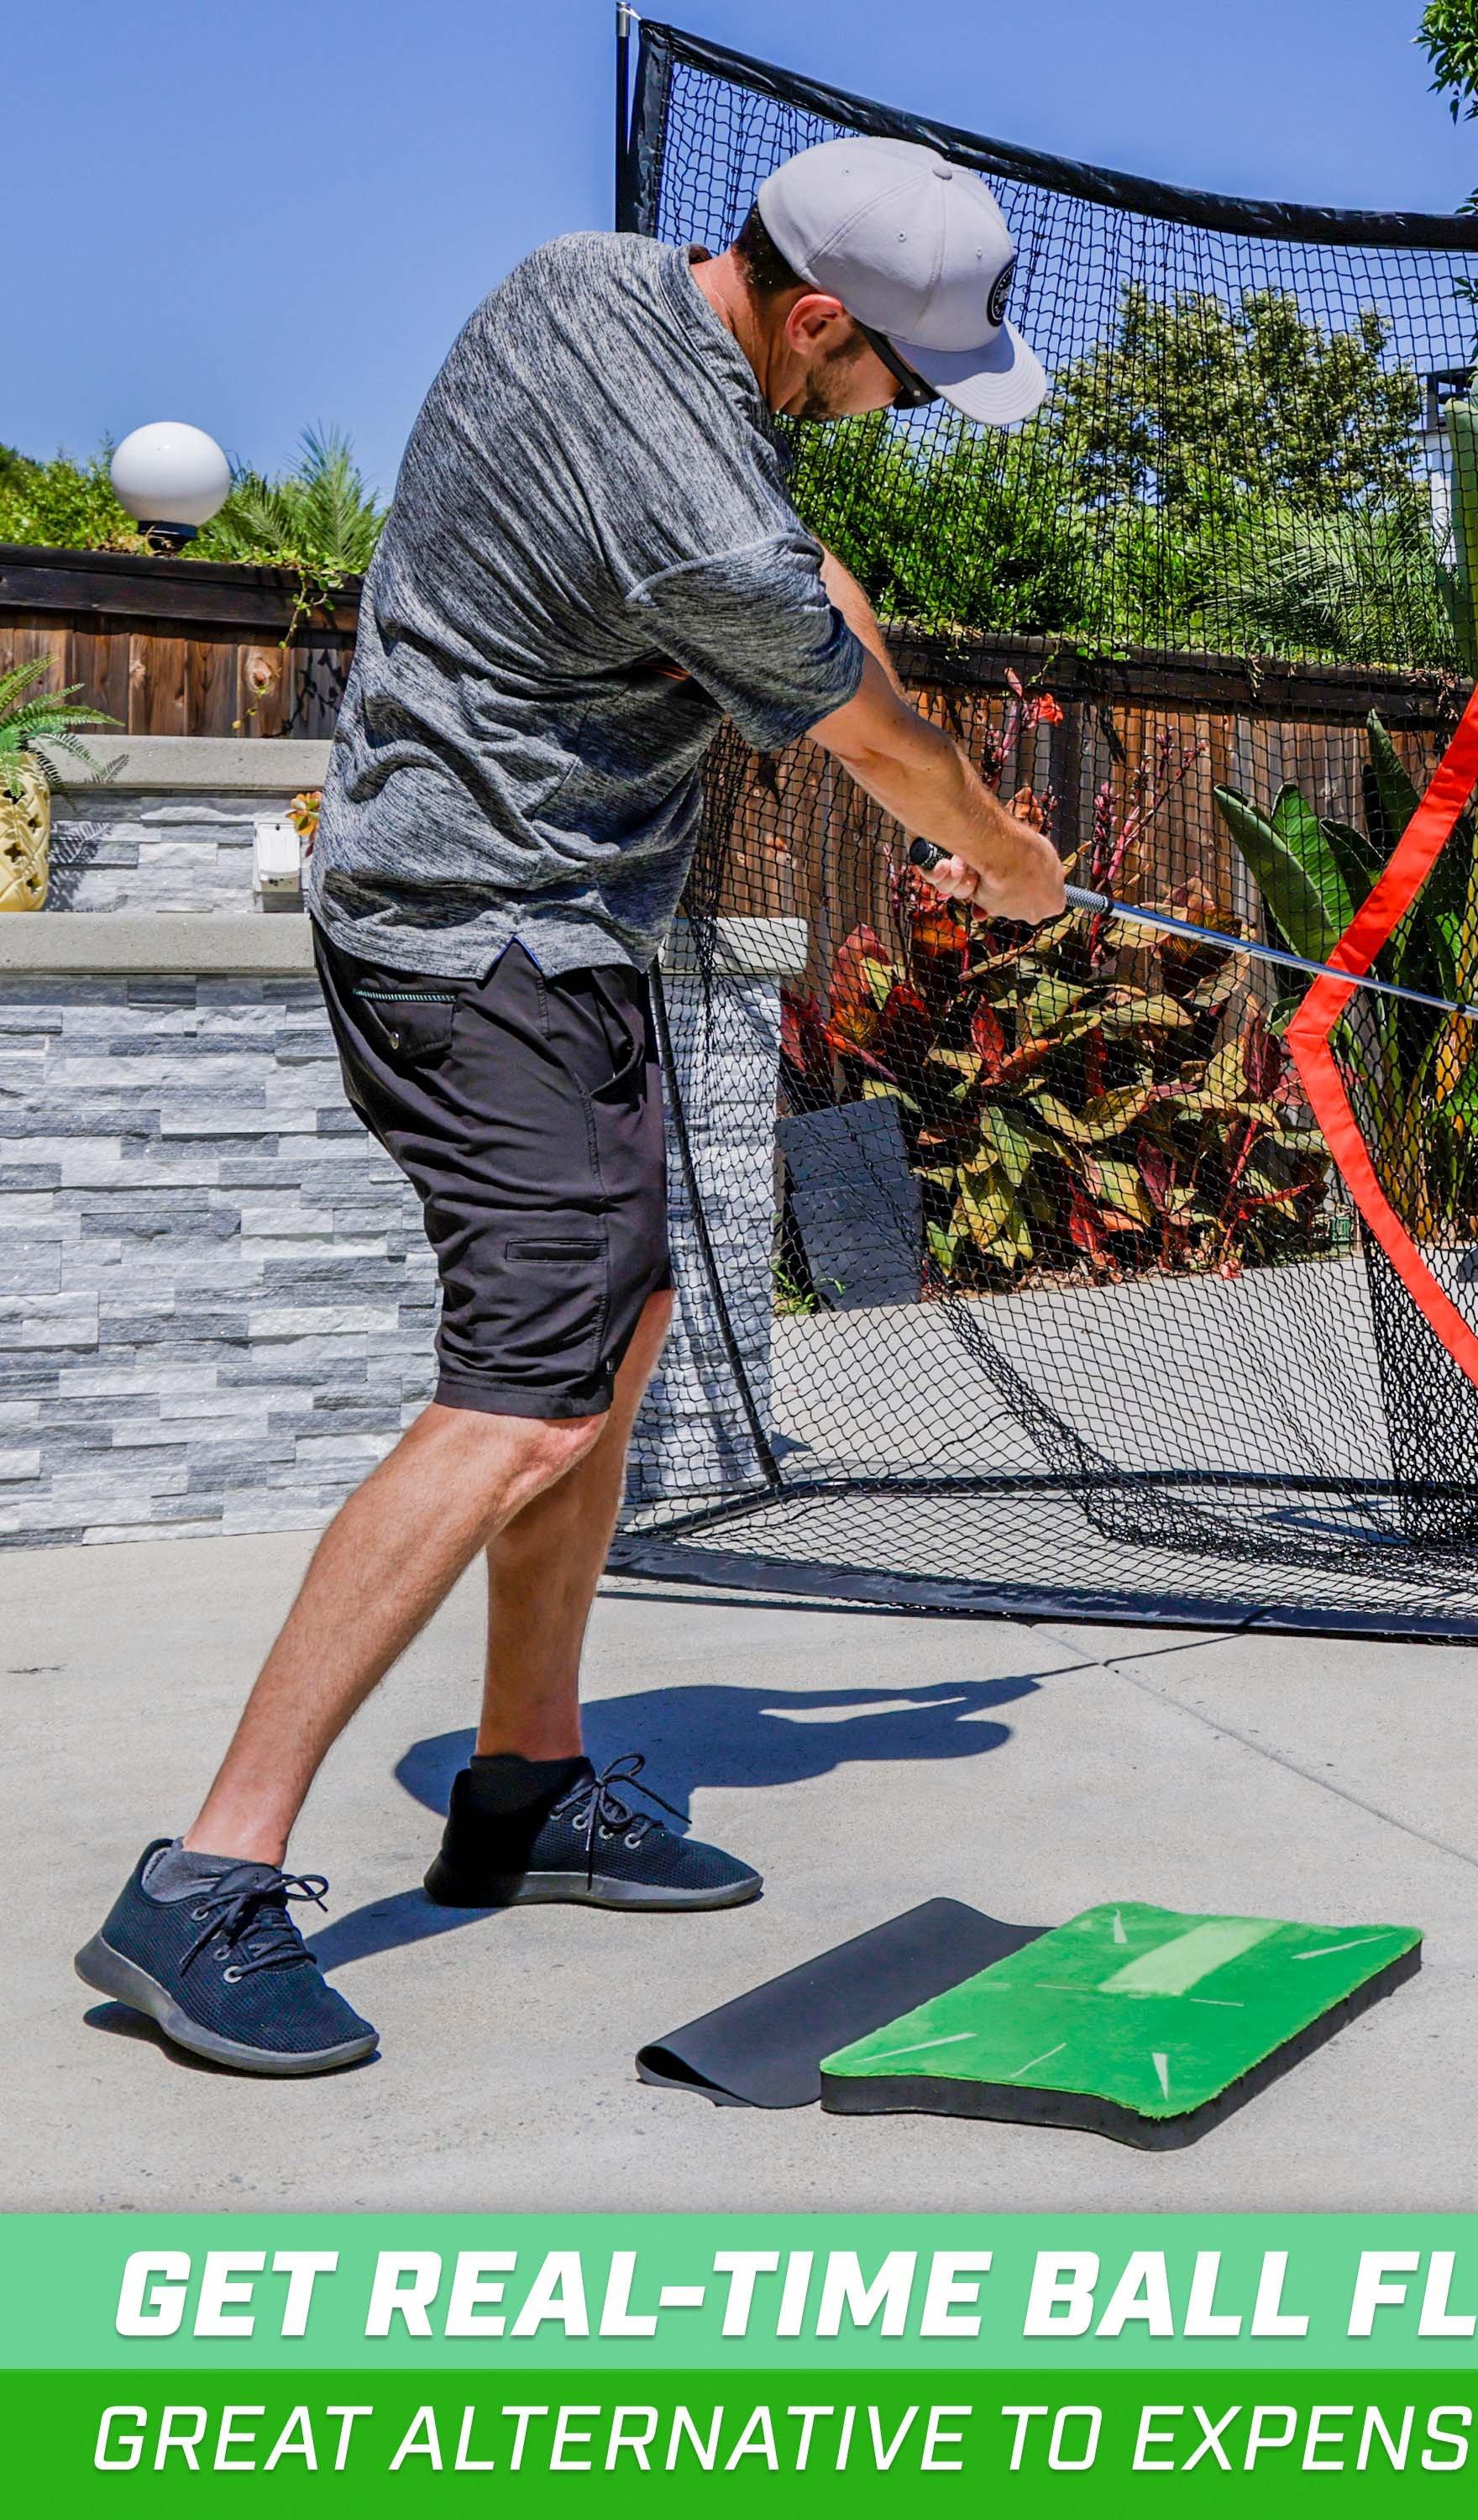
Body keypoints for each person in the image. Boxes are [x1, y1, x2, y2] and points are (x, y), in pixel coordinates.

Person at [76, 137, 1067, 2076]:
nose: (910, 411)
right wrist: (1002, 855)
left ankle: (521, 1786)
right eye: (902, 375)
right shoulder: (701, 503)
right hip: (479, 933)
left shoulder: (590, 281)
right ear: (812, 317)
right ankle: (205, 1876)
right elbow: (856, 724)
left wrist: (935, 761)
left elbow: (810, 582)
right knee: (525, 1384)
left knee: (614, 1331)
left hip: (534, 923)